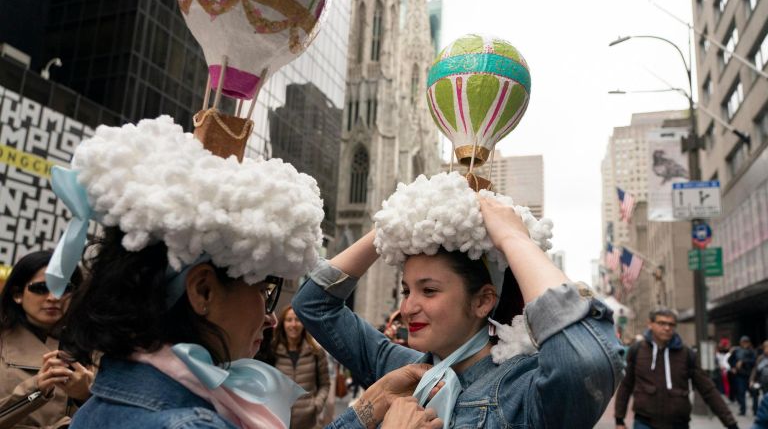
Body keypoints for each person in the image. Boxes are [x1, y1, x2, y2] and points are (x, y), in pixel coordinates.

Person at [47, 116, 440, 429]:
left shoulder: (107, 398)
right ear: (203, 291)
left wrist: (367, 408)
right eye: (265, 291)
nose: (271, 317)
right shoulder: (187, 421)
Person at [293, 173, 624, 429]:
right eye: (407, 290)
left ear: (482, 301)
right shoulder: (403, 370)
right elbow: (314, 304)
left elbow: (585, 363)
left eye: (429, 290)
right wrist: (398, 221)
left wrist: (512, 237)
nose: (407, 308)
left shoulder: (521, 388)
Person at [0, 250, 92, 428]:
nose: (52, 298)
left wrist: (85, 396)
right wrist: (35, 392)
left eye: (64, 288)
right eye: (41, 288)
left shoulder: (95, 346)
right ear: (17, 294)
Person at [614, 308, 739, 429]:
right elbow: (626, 385)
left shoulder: (687, 354)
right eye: (662, 323)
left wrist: (730, 423)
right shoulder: (637, 350)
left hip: (678, 423)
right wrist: (619, 419)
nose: (667, 328)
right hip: (645, 422)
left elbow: (708, 389)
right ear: (650, 324)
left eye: (671, 324)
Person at [272, 306, 330, 429]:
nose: (293, 324)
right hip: (279, 422)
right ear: (282, 323)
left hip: (309, 424)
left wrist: (316, 406)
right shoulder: (273, 351)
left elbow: (325, 384)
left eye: (297, 320)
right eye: (289, 320)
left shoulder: (316, 352)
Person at [731, 336, 758, 416]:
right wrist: (733, 367)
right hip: (740, 375)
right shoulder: (737, 351)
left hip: (750, 375)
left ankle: (755, 409)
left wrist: (743, 362)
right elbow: (731, 360)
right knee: (741, 393)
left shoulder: (752, 351)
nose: (745, 344)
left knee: (754, 393)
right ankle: (743, 409)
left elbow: (754, 361)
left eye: (746, 342)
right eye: (743, 342)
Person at [750, 341, 768, 411]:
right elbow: (755, 370)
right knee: (763, 397)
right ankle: (756, 410)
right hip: (762, 381)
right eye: (766, 348)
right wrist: (752, 380)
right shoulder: (760, 358)